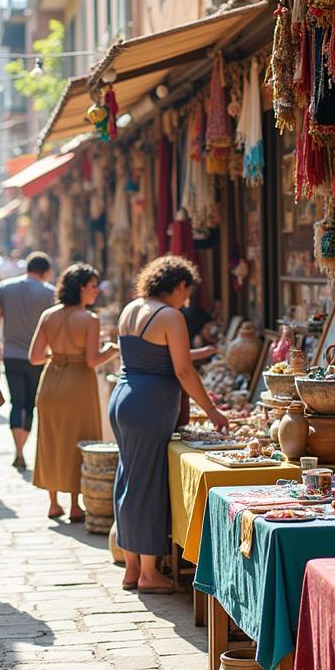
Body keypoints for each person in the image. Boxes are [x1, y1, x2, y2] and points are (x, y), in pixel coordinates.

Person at [109, 255, 229, 595]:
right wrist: (214, 411)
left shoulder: (131, 308)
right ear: (178, 286)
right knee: (148, 482)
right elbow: (182, 371)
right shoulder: (170, 316)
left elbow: (154, 356)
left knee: (129, 478)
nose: (186, 300)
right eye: (186, 292)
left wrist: (198, 352)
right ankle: (149, 572)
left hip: (123, 397)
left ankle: (132, 567)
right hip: (150, 403)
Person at [28, 263, 117, 521]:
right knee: (79, 440)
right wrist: (111, 349)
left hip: (52, 380)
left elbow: (34, 357)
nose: (97, 291)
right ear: (80, 288)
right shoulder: (89, 319)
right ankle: (76, 505)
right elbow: (92, 360)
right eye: (92, 285)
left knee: (51, 440)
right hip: (79, 382)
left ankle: (53, 502)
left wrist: (58, 357)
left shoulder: (48, 315)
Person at [0, 252, 55, 469]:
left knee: (16, 402)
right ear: (45, 272)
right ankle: (22, 448)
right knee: (30, 404)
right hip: (39, 357)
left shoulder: (5, 287)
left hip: (11, 354)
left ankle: (18, 451)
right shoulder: (50, 292)